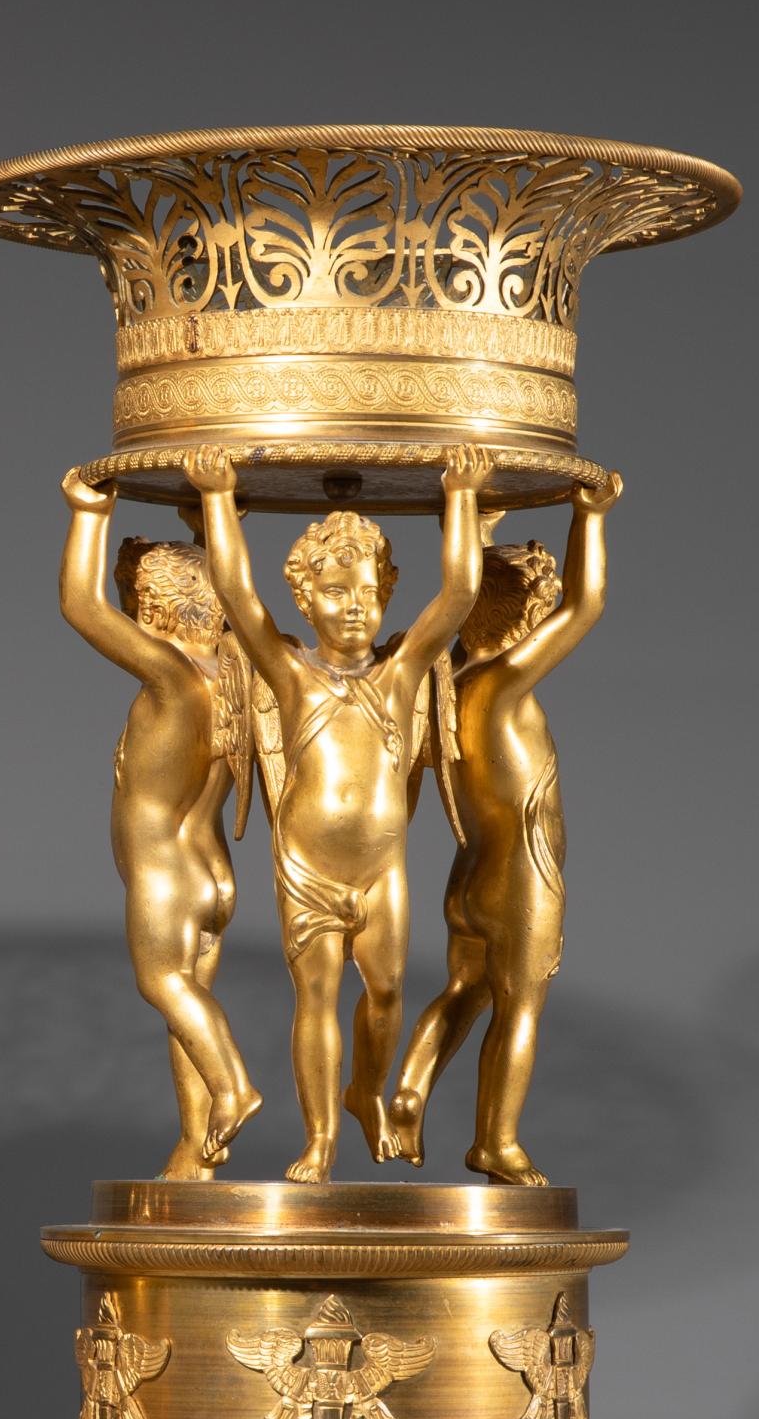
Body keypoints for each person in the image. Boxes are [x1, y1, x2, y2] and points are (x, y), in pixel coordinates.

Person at [193, 443, 489, 1181]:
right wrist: (218, 498)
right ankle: (319, 1139)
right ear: (305, 600)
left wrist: (461, 495)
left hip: (382, 872)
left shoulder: (401, 673)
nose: (354, 607)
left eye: (366, 592)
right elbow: (236, 595)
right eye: (334, 593)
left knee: (386, 994)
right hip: (308, 872)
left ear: (386, 592)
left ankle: (366, 1091)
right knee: (316, 997)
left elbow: (458, 594)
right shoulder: (290, 676)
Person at [390, 475, 618, 1184]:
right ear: (526, 619)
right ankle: (497, 1142)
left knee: (465, 989)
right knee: (520, 1007)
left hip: (470, 873)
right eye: (538, 611)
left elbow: (460, 590)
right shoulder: (507, 682)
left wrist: (472, 522)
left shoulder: (448, 680)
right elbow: (587, 603)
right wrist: (590, 518)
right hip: (523, 874)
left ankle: (411, 1086)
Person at [55, 469, 261, 1176]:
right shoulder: (233, 673)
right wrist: (213, 515)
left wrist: (88, 514)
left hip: (165, 872)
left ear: (154, 608)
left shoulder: (173, 679)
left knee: (163, 986)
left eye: (134, 605)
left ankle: (233, 1087)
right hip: (213, 872)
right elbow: (237, 592)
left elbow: (80, 605)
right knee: (189, 1005)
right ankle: (196, 1153)